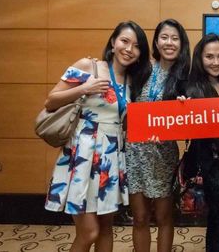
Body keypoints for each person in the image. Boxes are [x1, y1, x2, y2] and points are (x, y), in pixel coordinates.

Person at [45, 21, 150, 252]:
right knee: (89, 231)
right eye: (124, 41)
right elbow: (51, 100)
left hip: (111, 159)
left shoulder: (131, 82)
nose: (129, 49)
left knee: (105, 228)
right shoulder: (89, 66)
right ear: (113, 42)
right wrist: (84, 89)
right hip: (83, 156)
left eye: (136, 45)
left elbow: (126, 122)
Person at [125, 19, 190, 252]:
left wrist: (185, 106)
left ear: (181, 44)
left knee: (164, 217)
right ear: (155, 41)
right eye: (164, 37)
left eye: (175, 38)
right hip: (135, 153)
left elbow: (188, 124)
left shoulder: (185, 79)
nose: (169, 43)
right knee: (140, 217)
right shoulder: (140, 69)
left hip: (163, 154)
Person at [181, 34, 219, 252]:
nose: (216, 62)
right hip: (210, 165)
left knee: (217, 216)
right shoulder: (192, 89)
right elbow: (181, 123)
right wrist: (182, 107)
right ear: (200, 59)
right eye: (209, 56)